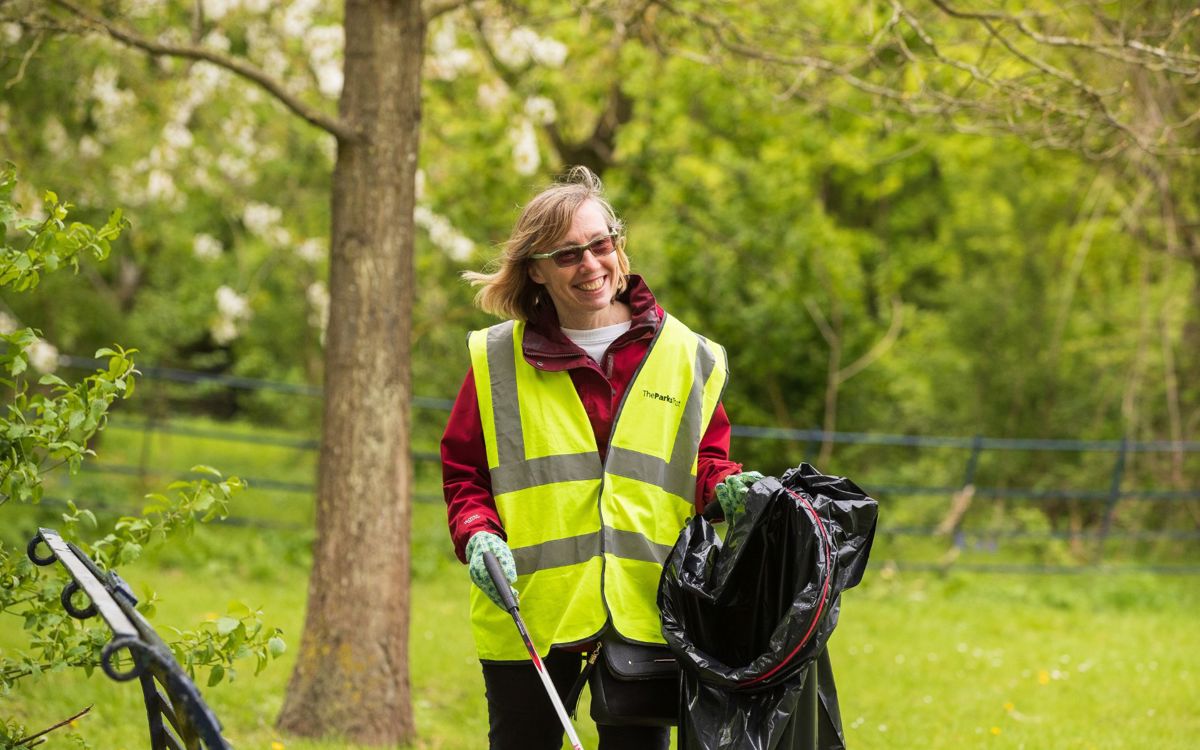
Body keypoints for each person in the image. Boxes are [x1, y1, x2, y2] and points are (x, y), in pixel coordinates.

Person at [441, 166, 761, 750]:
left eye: (600, 244)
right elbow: (466, 474)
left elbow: (705, 466)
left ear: (618, 243)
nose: (590, 265)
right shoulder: (495, 360)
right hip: (532, 612)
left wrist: (732, 489)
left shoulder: (689, 356)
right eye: (566, 255)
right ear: (535, 269)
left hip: (645, 607)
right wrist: (476, 534)